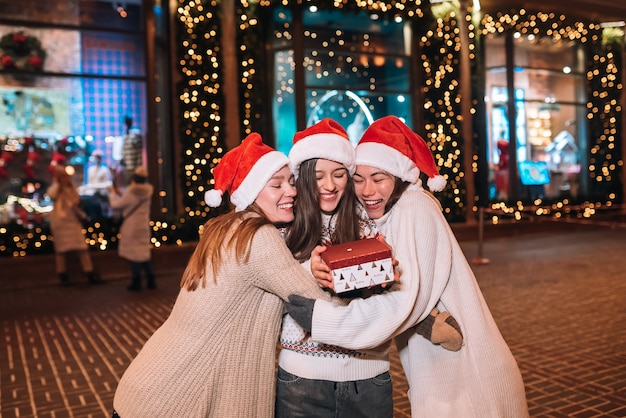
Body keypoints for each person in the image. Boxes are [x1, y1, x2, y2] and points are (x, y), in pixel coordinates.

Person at [287, 116, 529, 417]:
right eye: (359, 179)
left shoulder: (415, 208)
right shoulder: (386, 216)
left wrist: (322, 320)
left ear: (399, 178)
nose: (367, 191)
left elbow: (405, 301)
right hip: (440, 369)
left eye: (379, 178)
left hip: (465, 371)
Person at [112, 133, 332, 417]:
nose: (291, 191)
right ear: (251, 192)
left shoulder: (226, 227)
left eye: (291, 182)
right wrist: (369, 289)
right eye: (276, 184)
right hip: (177, 398)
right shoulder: (258, 237)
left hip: (150, 386)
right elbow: (316, 304)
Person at [277, 118, 392, 417]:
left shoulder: (367, 219)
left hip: (369, 376)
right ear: (302, 177)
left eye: (339, 174)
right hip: (302, 380)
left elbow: (387, 295)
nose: (330, 186)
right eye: (318, 176)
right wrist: (306, 273)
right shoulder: (284, 226)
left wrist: (385, 275)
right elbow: (267, 290)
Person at [46, 164, 103, 286]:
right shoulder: (56, 189)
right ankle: (63, 275)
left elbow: (75, 204)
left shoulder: (71, 189)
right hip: (61, 223)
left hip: (72, 222)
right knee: (61, 251)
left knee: (82, 249)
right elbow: (52, 195)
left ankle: (89, 273)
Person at [108, 166, 154, 291]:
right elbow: (132, 201)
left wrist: (112, 194)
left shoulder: (131, 191)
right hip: (143, 225)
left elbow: (116, 205)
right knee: (144, 253)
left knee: (134, 255)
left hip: (131, 226)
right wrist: (120, 193)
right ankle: (151, 280)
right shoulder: (148, 191)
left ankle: (136, 281)